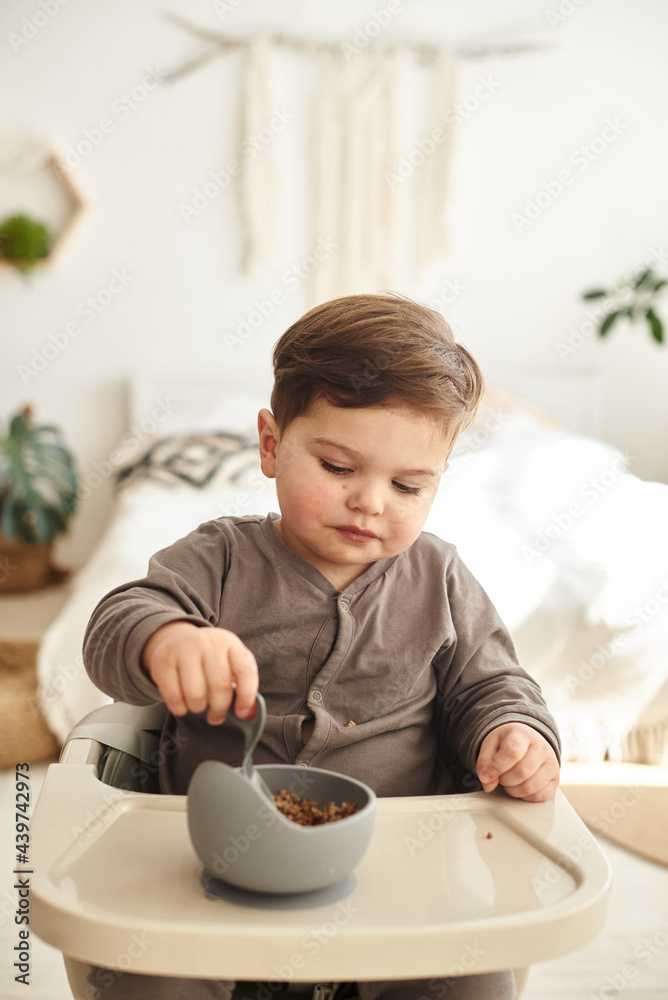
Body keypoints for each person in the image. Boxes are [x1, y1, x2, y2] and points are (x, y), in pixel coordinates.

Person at [82, 293, 561, 1000]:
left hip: (398, 881)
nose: (371, 501)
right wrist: (166, 638)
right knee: (143, 973)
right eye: (338, 467)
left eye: (407, 485)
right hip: (212, 873)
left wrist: (515, 733)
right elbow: (117, 622)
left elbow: (491, 685)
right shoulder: (220, 559)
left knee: (474, 978)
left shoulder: (440, 577)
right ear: (271, 445)